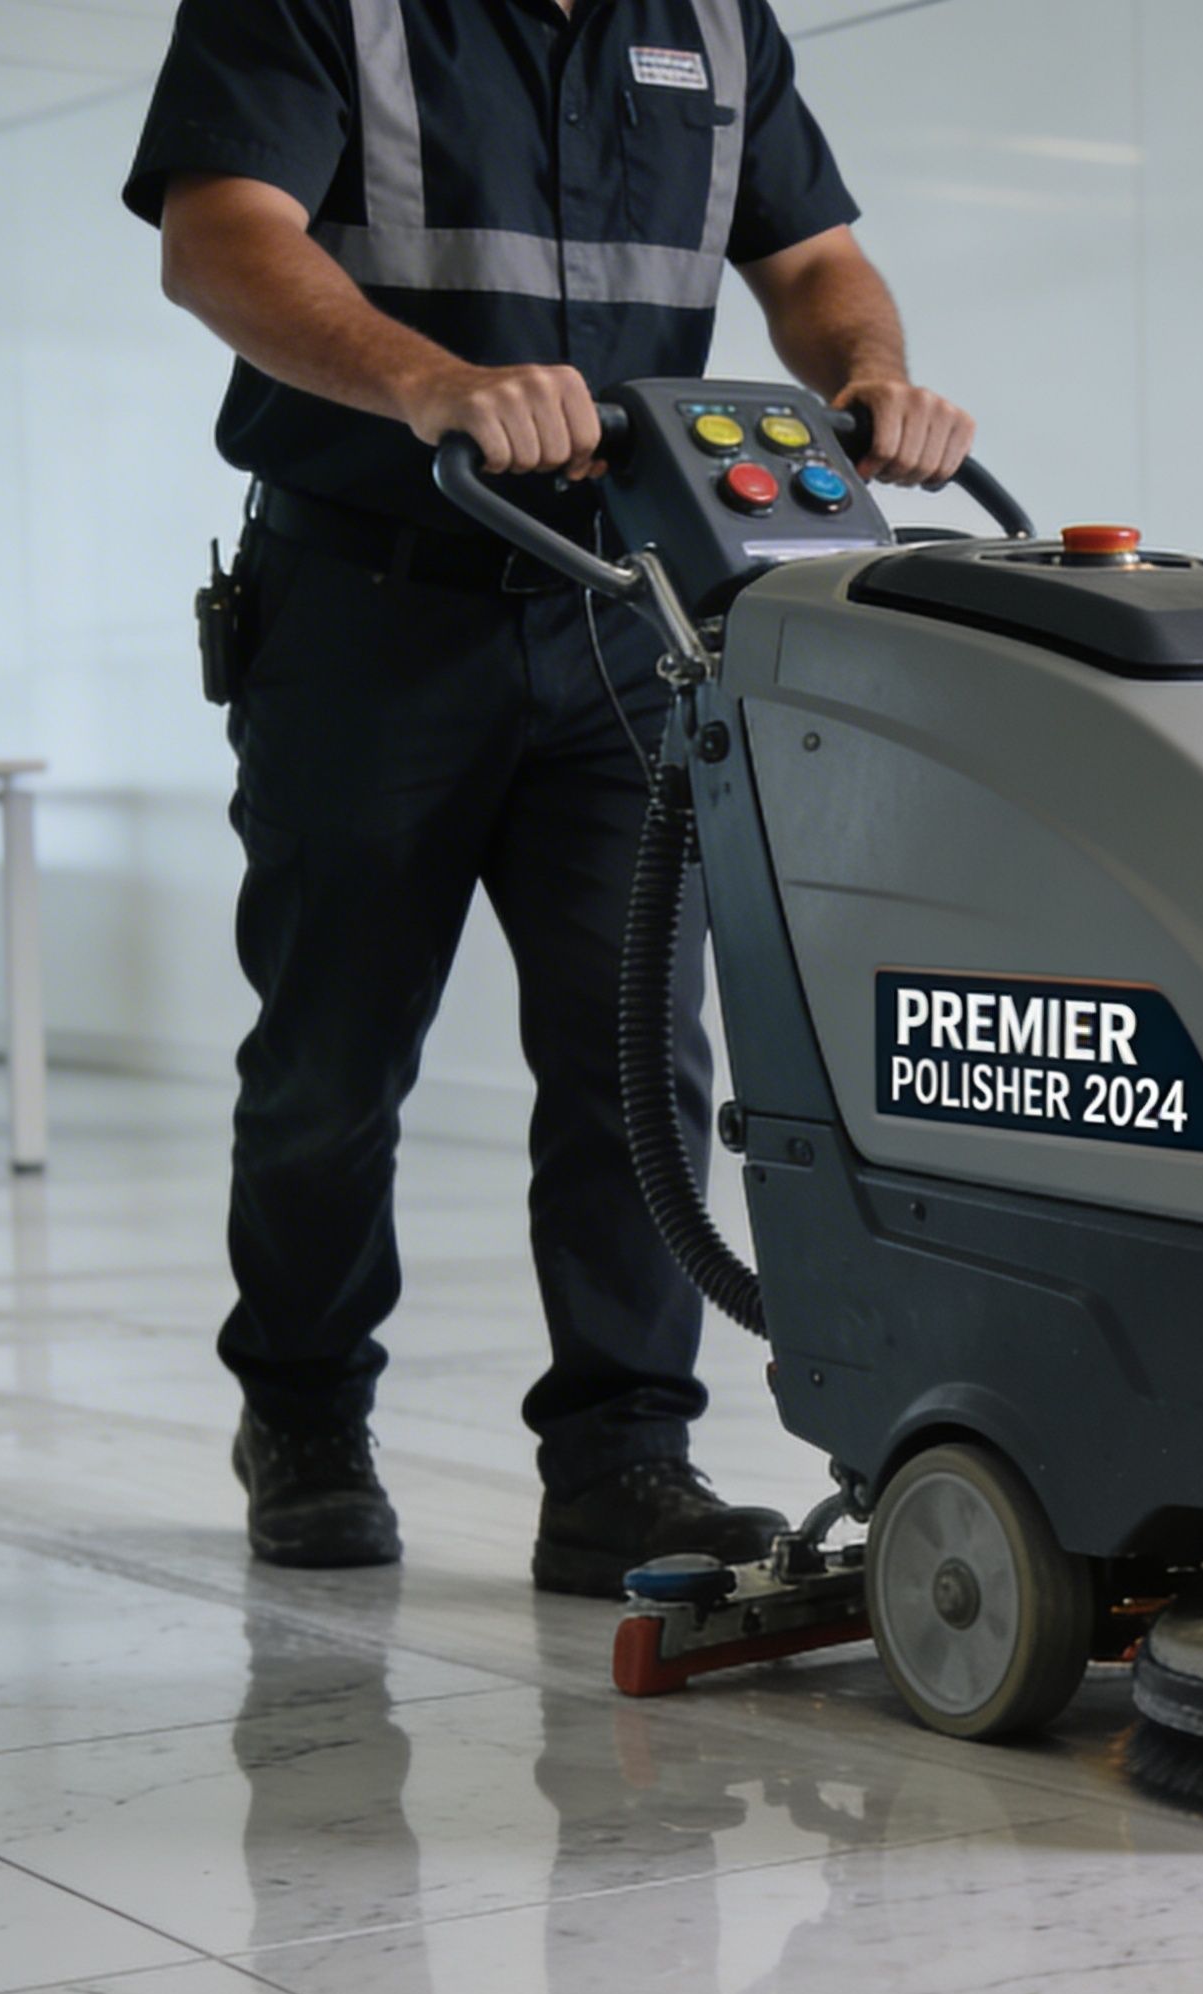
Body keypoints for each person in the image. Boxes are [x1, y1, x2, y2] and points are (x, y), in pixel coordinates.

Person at [121, 0, 973, 1594]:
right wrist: (431, 378)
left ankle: (623, 1463)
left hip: (620, 608)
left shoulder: (714, 24)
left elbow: (811, 263)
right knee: (333, 1056)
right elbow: (218, 236)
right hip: (370, 610)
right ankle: (302, 1418)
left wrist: (876, 374)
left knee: (637, 1058)